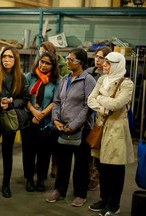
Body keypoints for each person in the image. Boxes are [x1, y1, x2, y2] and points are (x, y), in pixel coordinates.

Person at [45, 48, 96, 207]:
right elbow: (57, 102)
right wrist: (55, 120)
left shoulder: (88, 81)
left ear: (81, 63)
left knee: (81, 163)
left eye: (71, 59)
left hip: (81, 129)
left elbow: (89, 107)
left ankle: (80, 194)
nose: (67, 62)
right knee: (63, 161)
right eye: (67, 58)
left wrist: (74, 125)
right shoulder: (64, 79)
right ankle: (59, 190)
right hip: (62, 127)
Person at [87, 52, 134, 216]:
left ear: (116, 65)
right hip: (101, 126)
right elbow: (90, 99)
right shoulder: (101, 79)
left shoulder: (126, 84)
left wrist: (101, 100)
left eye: (107, 63)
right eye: (104, 63)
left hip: (116, 130)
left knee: (115, 168)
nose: (103, 66)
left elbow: (117, 104)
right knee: (102, 166)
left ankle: (114, 204)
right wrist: (104, 106)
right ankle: (104, 199)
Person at [0, 46, 29, 199]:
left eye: (10, 57)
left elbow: (25, 99)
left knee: (7, 153)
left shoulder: (21, 78)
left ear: (15, 60)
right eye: (4, 57)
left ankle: (6, 185)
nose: (6, 60)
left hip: (10, 121)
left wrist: (12, 103)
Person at [21, 51, 60, 192]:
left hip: (46, 123)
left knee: (44, 153)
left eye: (48, 63)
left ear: (53, 66)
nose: (43, 65)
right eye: (42, 62)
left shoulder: (56, 81)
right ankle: (29, 178)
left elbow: (56, 101)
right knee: (28, 152)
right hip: (29, 119)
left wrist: (42, 114)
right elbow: (24, 97)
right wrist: (34, 112)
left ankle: (41, 179)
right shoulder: (29, 77)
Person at [38, 41, 69, 179]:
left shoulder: (62, 68)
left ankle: (54, 166)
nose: (41, 54)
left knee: (55, 144)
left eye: (43, 51)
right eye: (40, 52)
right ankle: (40, 167)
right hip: (41, 112)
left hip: (57, 111)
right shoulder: (40, 67)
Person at [86, 46, 112, 191]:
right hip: (88, 113)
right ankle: (89, 173)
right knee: (89, 146)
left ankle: (95, 175)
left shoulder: (109, 77)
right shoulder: (89, 72)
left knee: (98, 147)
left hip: (101, 114)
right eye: (96, 56)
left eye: (101, 57)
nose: (97, 59)